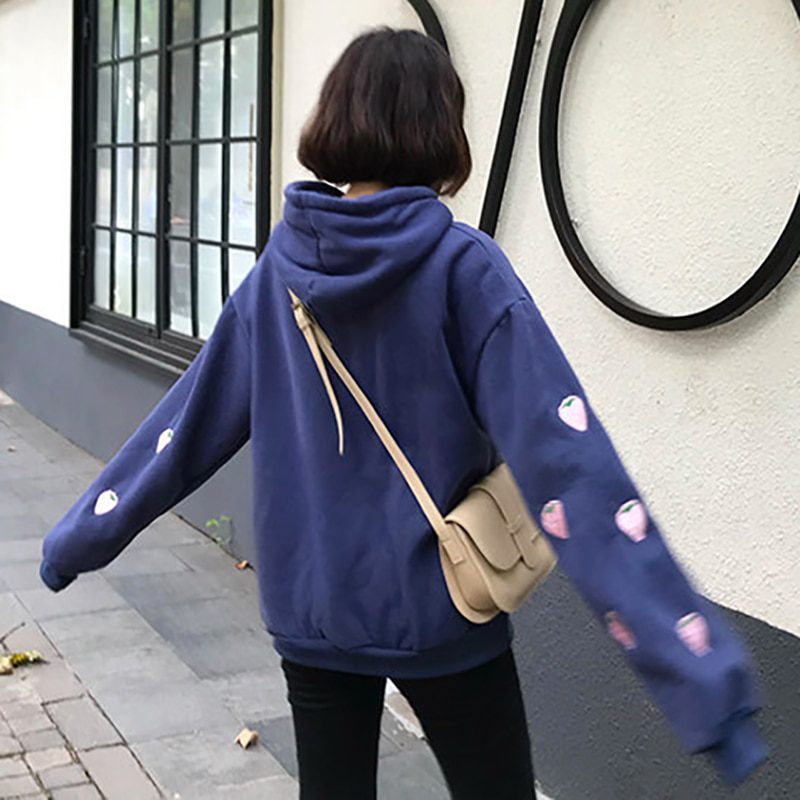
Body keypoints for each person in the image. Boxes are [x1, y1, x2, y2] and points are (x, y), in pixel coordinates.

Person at [40, 26, 767, 800]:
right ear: (440, 127)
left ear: (335, 119)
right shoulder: (463, 269)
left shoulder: (276, 276)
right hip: (444, 609)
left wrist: (76, 538)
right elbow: (567, 462)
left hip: (314, 614)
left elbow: (184, 430)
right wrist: (702, 682)